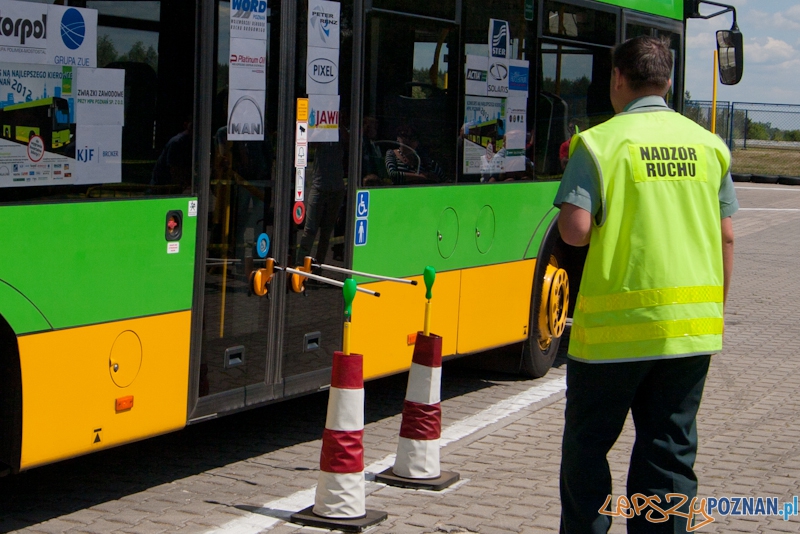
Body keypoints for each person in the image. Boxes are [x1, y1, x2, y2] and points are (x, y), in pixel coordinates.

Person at [555, 36, 738, 533]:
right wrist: (713, 309)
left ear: (618, 78)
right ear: (669, 81)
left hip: (613, 337)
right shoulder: (709, 146)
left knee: (588, 449)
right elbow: (726, 235)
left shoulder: (599, 142)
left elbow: (574, 231)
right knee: (669, 452)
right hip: (689, 334)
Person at [296, 139, 346, 266]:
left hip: (336, 188)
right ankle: (300, 267)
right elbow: (313, 144)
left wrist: (341, 127)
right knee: (310, 230)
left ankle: (317, 269)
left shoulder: (342, 133)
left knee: (326, 233)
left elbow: (350, 144)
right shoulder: (323, 130)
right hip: (319, 186)